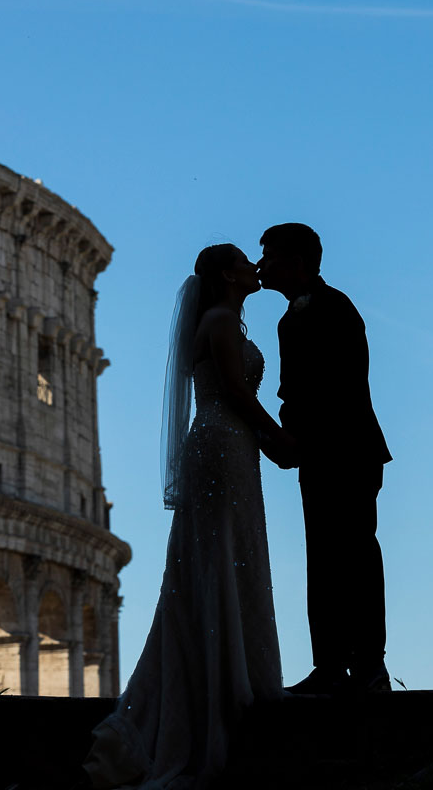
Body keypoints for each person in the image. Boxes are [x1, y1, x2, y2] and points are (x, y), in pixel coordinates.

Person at [81, 244, 290, 789]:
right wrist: (278, 439)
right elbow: (236, 393)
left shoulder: (224, 320)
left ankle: (232, 670)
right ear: (227, 274)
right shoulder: (220, 320)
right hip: (223, 443)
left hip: (231, 445)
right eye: (247, 262)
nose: (255, 269)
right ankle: (225, 683)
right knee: (222, 554)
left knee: (229, 552)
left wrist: (263, 442)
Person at [256, 223, 393, 696]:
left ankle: (369, 664)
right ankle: (331, 664)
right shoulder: (289, 319)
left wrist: (293, 436)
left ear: (297, 262)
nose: (261, 266)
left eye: (270, 256)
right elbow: (293, 391)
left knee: (355, 552)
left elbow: (339, 385)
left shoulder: (333, 307)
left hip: (348, 450)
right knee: (323, 555)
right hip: (319, 452)